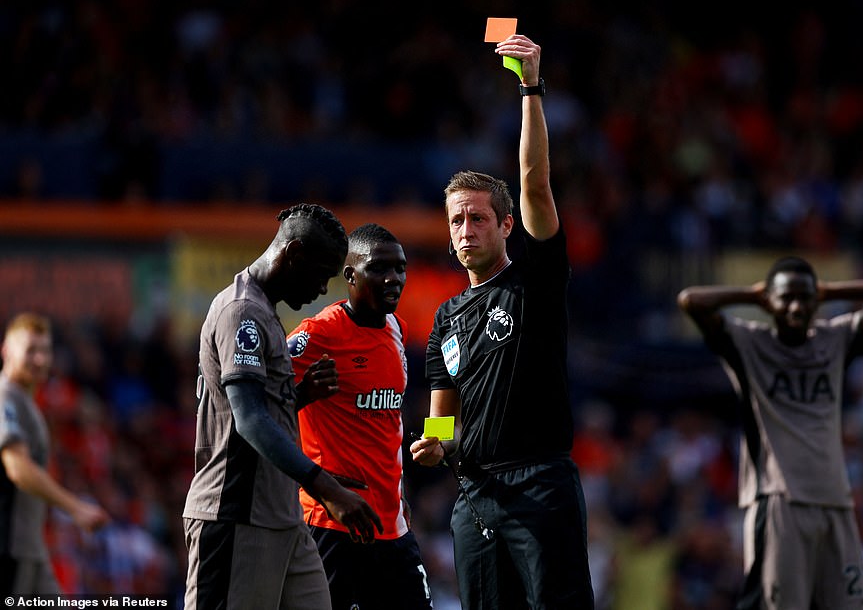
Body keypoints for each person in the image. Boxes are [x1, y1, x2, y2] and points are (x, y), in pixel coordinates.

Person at [409, 34, 594, 610]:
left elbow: (536, 180)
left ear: (507, 225)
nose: (467, 230)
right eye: (458, 221)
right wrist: (435, 448)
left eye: (479, 218)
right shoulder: (445, 316)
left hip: (540, 487)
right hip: (475, 494)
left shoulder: (534, 281)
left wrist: (530, 86)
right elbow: (443, 411)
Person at [677, 256, 863, 609]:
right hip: (779, 500)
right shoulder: (748, 342)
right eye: (786, 297)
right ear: (769, 302)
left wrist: (830, 290)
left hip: (835, 499)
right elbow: (690, 301)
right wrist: (753, 295)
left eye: (805, 298)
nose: (796, 306)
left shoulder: (834, 339)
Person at [182, 203, 383, 610]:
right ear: (293, 255)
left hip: (282, 516)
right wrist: (325, 486)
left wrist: (299, 395)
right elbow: (249, 420)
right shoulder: (242, 312)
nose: (324, 290)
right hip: (236, 516)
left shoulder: (264, 312)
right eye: (322, 274)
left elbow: (260, 407)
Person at [288, 222, 432, 610]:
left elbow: (420, 404)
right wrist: (303, 397)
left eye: (400, 268)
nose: (394, 278)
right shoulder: (318, 334)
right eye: (380, 268)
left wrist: (438, 436)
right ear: (350, 275)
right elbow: (259, 406)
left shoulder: (398, 330)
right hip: (333, 526)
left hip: (393, 527)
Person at [0, 312, 111, 596]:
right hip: (9, 546)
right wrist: (74, 507)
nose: (39, 359)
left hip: (31, 547)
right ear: (6, 351)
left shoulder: (27, 402)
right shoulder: (4, 398)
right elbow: (17, 467)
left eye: (45, 350)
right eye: (30, 350)